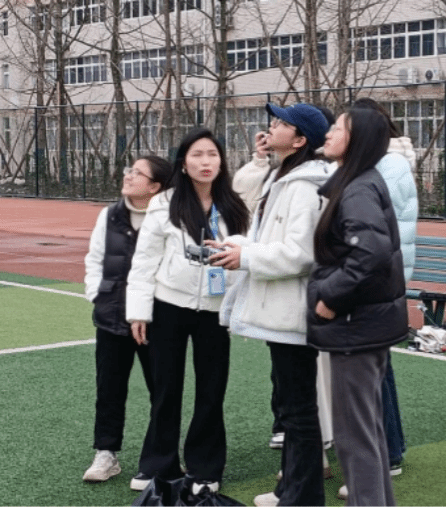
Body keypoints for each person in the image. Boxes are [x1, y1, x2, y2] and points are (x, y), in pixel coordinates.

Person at [210, 102, 331, 507]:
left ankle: (303, 497)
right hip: (281, 310)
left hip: (292, 311)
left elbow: (301, 254)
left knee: (298, 409)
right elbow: (269, 240)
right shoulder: (284, 177)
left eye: (282, 123)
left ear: (299, 140)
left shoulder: (305, 185)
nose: (271, 126)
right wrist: (237, 246)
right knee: (293, 408)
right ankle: (291, 491)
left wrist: (245, 257)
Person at [125, 128, 249, 493]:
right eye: (197, 155)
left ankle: (205, 467)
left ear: (221, 161)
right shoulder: (164, 203)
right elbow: (144, 260)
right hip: (169, 306)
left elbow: (247, 254)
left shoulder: (234, 205)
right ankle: (158, 464)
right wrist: (138, 312)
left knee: (212, 389)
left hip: (215, 311)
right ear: (183, 163)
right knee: (166, 387)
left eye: (212, 154)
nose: (205, 162)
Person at [307, 107, 410, 506]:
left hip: (355, 324)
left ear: (358, 140)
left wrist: (331, 297)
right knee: (365, 431)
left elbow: (371, 253)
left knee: (354, 435)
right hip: (364, 323)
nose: (329, 133)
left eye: (338, 127)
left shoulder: (358, 188)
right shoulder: (355, 182)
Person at [82, 155, 173, 482]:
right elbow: (95, 259)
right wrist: (97, 294)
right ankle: (106, 453)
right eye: (129, 170)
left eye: (137, 173)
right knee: (109, 388)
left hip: (156, 320)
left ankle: (161, 456)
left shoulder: (170, 218)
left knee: (162, 390)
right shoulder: (110, 215)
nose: (128, 175)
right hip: (112, 316)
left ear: (155, 186)